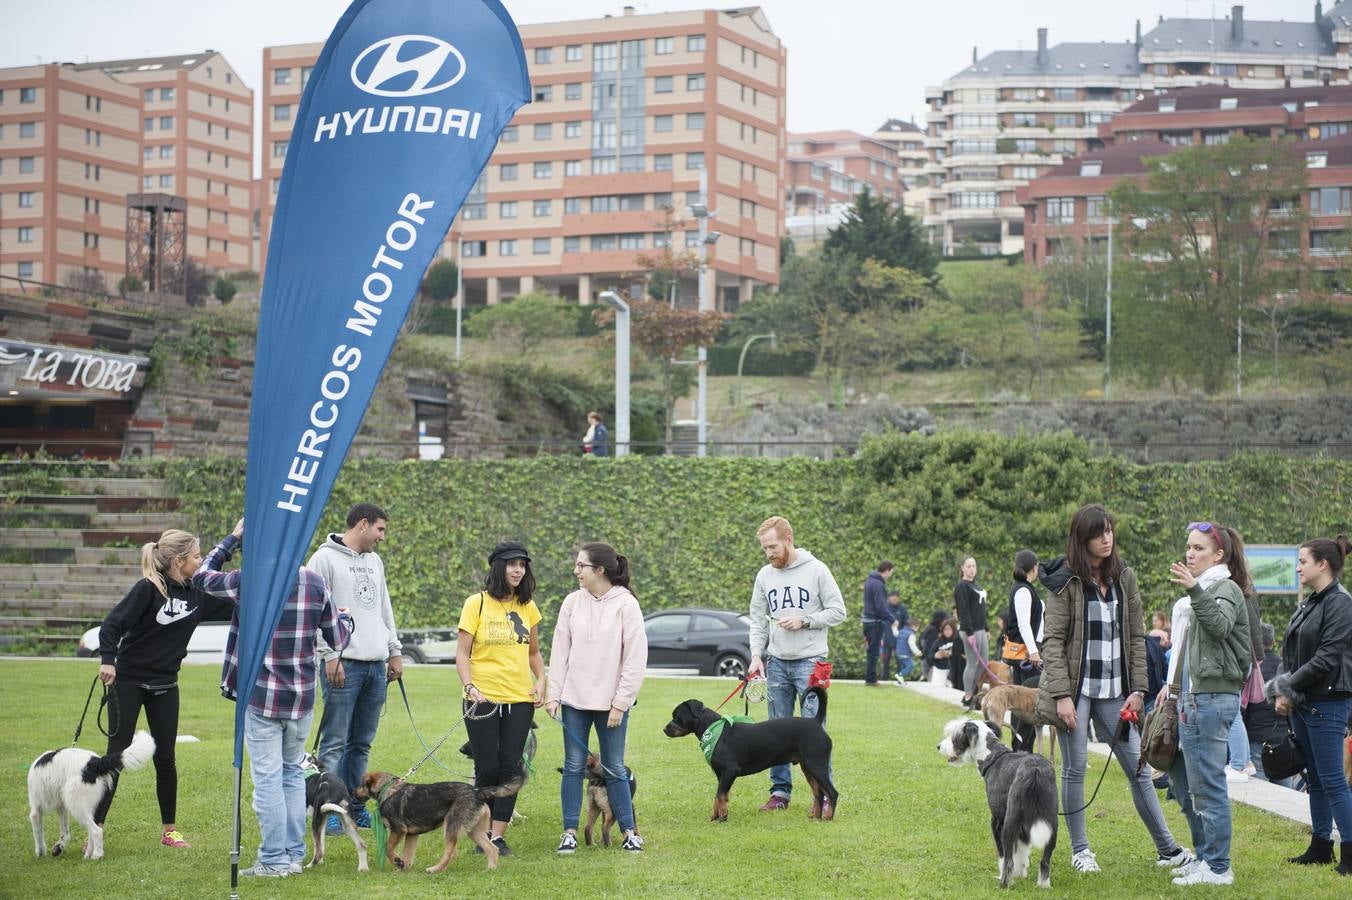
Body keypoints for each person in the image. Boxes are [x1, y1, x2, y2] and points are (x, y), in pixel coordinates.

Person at [1035, 504, 1192, 876]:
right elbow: (1053, 641)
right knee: (1074, 770)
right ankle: (1081, 851)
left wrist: (1139, 688)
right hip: (1076, 691)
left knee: (1139, 768)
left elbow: (1136, 638)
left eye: (1109, 531)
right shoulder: (1066, 581)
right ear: (1082, 538)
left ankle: (1167, 848)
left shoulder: (1124, 577)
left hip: (1114, 691)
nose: (1106, 538)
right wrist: (1061, 696)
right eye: (1097, 533)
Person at [194, 519, 350, 878]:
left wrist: (231, 538)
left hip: (262, 696)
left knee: (268, 780)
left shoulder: (250, 579)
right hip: (301, 697)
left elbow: (201, 577)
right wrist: (347, 620)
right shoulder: (314, 581)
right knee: (293, 776)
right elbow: (337, 638)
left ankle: (274, 860)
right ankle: (293, 855)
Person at [96, 526, 238, 849]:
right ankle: (97, 827)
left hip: (166, 686)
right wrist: (108, 660)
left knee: (166, 757)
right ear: (178, 561)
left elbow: (234, 602)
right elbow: (112, 625)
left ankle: (169, 831)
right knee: (115, 756)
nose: (201, 562)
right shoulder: (148, 590)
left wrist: (235, 541)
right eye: (197, 556)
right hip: (128, 682)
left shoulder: (197, 594)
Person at [1159, 522, 1253, 887]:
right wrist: (1169, 689)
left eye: (1198, 548)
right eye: (1188, 547)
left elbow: (1219, 626)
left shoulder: (1225, 588)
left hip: (1211, 700)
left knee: (1208, 787)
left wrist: (1196, 590)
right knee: (1186, 784)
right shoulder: (1197, 594)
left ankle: (1217, 868)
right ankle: (1204, 857)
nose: (1190, 554)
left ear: (1218, 555)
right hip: (1190, 698)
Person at [547, 541, 647, 853]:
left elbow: (634, 658)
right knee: (573, 766)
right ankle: (569, 833)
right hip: (574, 702)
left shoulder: (626, 605)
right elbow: (560, 652)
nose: (576, 571)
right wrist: (553, 695)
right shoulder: (571, 603)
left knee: (615, 768)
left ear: (600, 570)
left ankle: (630, 833)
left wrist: (620, 703)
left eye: (581, 566)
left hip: (611, 706)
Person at [308, 503, 402, 833]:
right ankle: (330, 813)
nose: (382, 537)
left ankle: (355, 808)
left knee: (361, 744)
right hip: (343, 663)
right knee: (334, 743)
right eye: (380, 529)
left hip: (376, 665)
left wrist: (394, 651)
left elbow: (383, 608)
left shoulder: (375, 561)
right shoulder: (323, 559)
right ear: (362, 524)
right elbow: (313, 609)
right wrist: (329, 655)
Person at [747, 516, 846, 812]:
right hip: (776, 663)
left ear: (788, 540)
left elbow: (838, 611)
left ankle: (825, 795)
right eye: (765, 548)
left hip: (811, 662)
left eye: (773, 546)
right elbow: (757, 619)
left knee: (814, 732)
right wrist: (756, 655)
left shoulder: (817, 570)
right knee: (774, 734)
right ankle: (780, 794)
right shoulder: (764, 575)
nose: (769, 553)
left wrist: (805, 621)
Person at [1269, 534, 1352, 876]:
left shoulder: (1340, 603)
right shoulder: (1312, 602)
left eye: (1303, 561)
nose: (1298, 567)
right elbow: (1291, 652)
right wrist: (1283, 690)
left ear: (1323, 564)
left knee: (1333, 778)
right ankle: (1321, 846)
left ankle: (1350, 852)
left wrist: (1288, 686)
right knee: (1315, 778)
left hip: (1328, 701)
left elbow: (1327, 657)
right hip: (1305, 700)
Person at [457, 540, 545, 856]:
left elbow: (533, 652)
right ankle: (481, 832)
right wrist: (469, 687)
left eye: (522, 564)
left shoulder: (528, 606)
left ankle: (496, 836)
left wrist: (542, 679)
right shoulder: (476, 604)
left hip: (520, 699)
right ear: (498, 567)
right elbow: (462, 654)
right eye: (512, 564)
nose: (518, 569)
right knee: (487, 767)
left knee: (511, 767)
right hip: (481, 699)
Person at [1243, 623, 1293, 787]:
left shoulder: (1251, 669)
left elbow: (1244, 708)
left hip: (1256, 738)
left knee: (1260, 793)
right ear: (1272, 642)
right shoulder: (1286, 669)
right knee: (1286, 795)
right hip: (1282, 739)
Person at [1005, 549, 1044, 752]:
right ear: (1034, 567)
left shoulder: (1023, 588)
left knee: (1020, 700)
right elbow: (1023, 624)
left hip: (1024, 653)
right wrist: (1034, 651)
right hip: (1025, 656)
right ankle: (1022, 748)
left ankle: (1019, 748)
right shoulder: (1023, 590)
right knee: (1026, 703)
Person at [953, 556, 988, 710]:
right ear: (962, 568)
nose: (972, 569)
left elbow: (980, 610)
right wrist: (969, 632)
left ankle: (975, 693)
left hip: (980, 629)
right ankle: (968, 696)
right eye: (968, 566)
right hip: (969, 631)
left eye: (974, 566)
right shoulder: (961, 587)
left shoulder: (978, 586)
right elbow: (963, 611)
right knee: (971, 663)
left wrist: (986, 629)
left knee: (984, 663)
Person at [861, 560, 895, 685]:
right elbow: (880, 607)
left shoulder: (870, 581)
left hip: (868, 621)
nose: (891, 574)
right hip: (874, 622)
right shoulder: (878, 584)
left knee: (871, 651)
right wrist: (892, 619)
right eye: (891, 571)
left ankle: (870, 678)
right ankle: (871, 679)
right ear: (886, 570)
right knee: (874, 652)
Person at [926, 618, 963, 688]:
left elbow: (962, 655)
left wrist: (951, 654)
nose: (947, 631)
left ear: (953, 629)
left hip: (953, 671)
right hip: (939, 669)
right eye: (945, 629)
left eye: (949, 629)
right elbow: (929, 657)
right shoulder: (938, 641)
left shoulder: (957, 641)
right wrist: (936, 655)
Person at [879, 591, 904, 680]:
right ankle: (884, 679)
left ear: (898, 598)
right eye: (892, 596)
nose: (894, 598)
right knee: (885, 661)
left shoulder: (902, 609)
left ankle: (900, 679)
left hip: (899, 641)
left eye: (896, 596)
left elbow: (905, 624)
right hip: (886, 639)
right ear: (889, 598)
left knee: (900, 661)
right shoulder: (885, 609)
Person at [918, 609, 947, 682]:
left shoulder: (928, 628)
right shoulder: (933, 631)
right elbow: (928, 649)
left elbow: (920, 643)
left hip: (924, 659)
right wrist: (931, 663)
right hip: (928, 661)